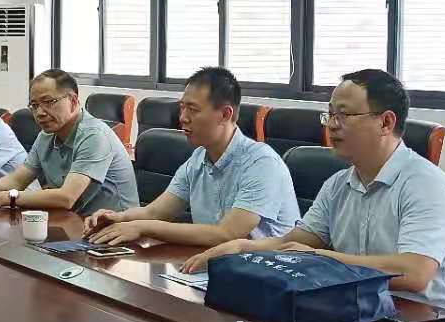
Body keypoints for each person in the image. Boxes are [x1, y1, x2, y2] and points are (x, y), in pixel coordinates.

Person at [188, 69, 445, 317]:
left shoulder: (427, 185)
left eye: (343, 115)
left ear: (386, 122)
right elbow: (295, 243)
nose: (331, 125)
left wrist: (319, 258)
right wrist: (240, 248)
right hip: (369, 311)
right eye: (329, 115)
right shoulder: (338, 184)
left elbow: (413, 273)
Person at [84, 67, 299, 248]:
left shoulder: (261, 163)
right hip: (215, 264)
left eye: (193, 110)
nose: (183, 118)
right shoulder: (198, 159)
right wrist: (119, 218)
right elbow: (156, 212)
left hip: (268, 271)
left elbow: (227, 234)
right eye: (182, 108)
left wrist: (141, 227)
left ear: (225, 114)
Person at [0, 69, 139, 216]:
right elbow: (18, 179)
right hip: (73, 222)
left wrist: (4, 198)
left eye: (48, 102)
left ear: (73, 101)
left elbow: (66, 197)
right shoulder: (46, 136)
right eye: (34, 105)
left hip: (115, 229)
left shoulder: (94, 135)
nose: (40, 112)